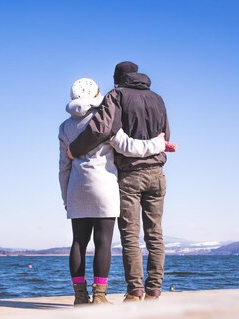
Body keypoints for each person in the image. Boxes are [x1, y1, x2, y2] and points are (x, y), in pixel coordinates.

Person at [68, 62, 175, 302]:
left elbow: (102, 129)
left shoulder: (116, 95)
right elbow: (165, 136)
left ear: (117, 79)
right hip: (157, 173)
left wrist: (74, 149)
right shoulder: (158, 98)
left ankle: (135, 291)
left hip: (130, 174)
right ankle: (155, 289)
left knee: (130, 236)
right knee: (155, 234)